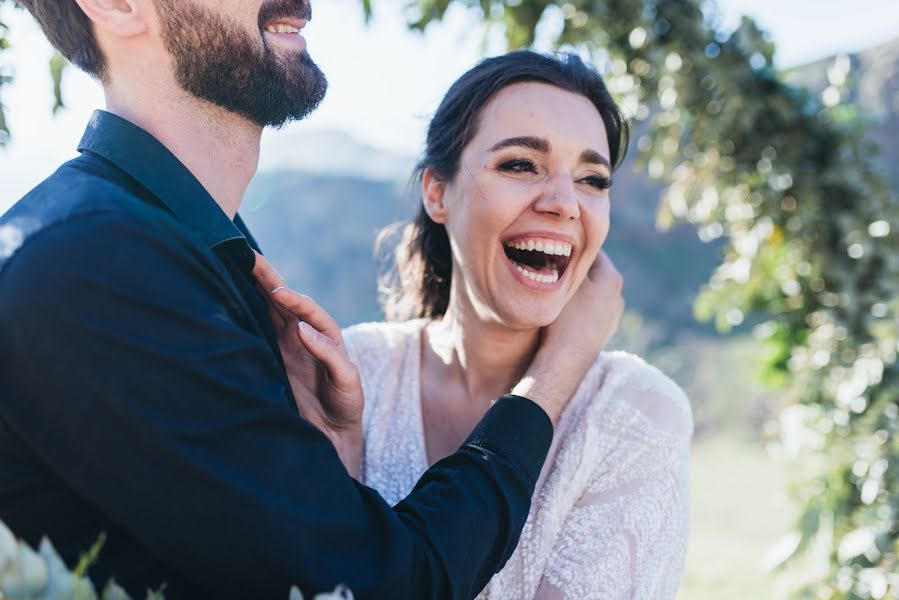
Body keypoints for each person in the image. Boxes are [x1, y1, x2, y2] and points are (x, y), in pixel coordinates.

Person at [0, 2, 623, 599]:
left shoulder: (191, 251)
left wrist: (334, 472)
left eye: (594, 179)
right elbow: (381, 588)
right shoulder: (96, 265)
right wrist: (554, 372)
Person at [346, 51, 693, 598]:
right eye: (520, 165)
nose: (564, 204)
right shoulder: (352, 373)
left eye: (592, 179)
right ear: (438, 192)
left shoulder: (637, 415)